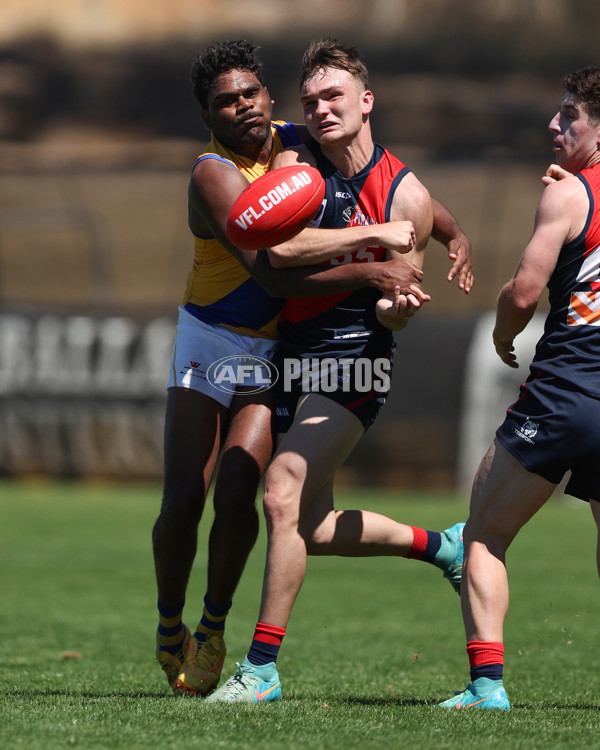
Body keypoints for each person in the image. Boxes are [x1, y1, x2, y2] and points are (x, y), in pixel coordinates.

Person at [206, 39, 468, 705]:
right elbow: (279, 248)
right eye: (311, 101)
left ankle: (260, 671)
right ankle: (443, 547)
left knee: (280, 491)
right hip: (292, 351)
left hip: (357, 358)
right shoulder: (297, 159)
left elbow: (395, 306)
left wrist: (398, 305)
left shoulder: (407, 195)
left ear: (367, 101)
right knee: (310, 528)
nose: (321, 110)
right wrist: (369, 241)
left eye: (334, 97)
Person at [438, 67, 600, 712]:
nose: (554, 124)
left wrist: (505, 332)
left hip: (567, 392)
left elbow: (525, 292)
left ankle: (486, 687)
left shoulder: (569, 196)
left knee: (484, 532)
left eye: (571, 114)